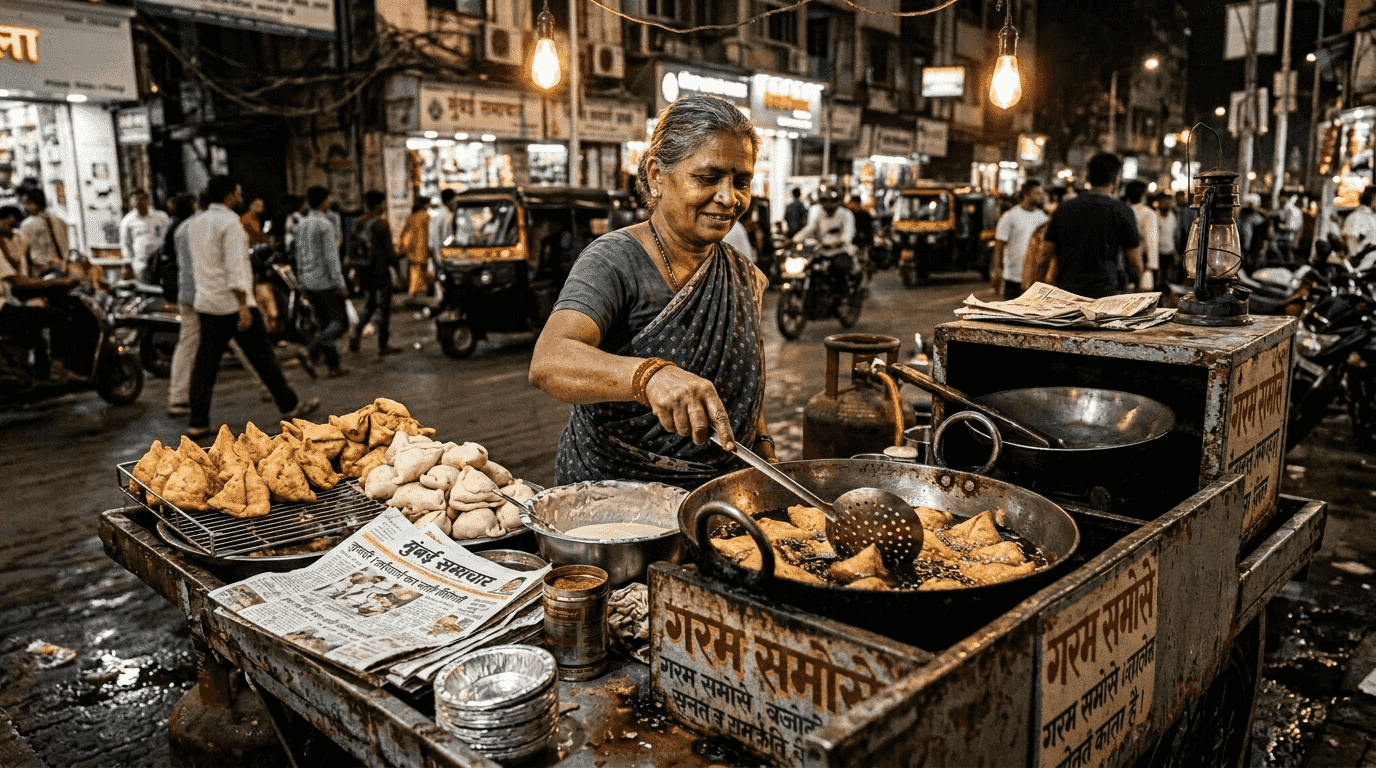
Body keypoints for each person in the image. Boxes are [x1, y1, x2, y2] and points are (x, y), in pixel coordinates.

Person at [528, 94, 773, 490]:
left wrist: (763, 449)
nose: (729, 197)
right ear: (658, 176)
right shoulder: (612, 261)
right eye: (707, 178)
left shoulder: (743, 274)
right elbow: (549, 361)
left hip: (722, 498)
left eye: (741, 181)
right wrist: (649, 377)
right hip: (617, 501)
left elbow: (743, 385)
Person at [185, 175, 318, 438]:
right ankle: (289, 405)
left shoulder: (196, 223)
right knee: (263, 358)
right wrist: (243, 305)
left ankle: (197, 420)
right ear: (229, 195)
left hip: (208, 303)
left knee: (205, 365)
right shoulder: (230, 223)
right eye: (238, 190)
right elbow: (235, 268)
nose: (241, 195)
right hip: (234, 304)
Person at [1031, 153, 1142, 298]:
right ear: (1116, 180)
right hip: (1104, 296)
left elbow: (1044, 256)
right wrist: (1135, 288)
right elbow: (1135, 263)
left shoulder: (1064, 209)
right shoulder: (1123, 211)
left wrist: (1034, 293)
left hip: (1065, 294)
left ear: (1087, 178)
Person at [0, 205, 72, 380]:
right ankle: (58, 367)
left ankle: (39, 368)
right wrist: (57, 282)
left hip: (9, 301)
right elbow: (16, 280)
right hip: (3, 309)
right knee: (58, 316)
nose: (12, 229)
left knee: (38, 319)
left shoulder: (17, 239)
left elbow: (27, 267)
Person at [296, 186, 350, 377]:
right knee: (339, 323)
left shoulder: (301, 223)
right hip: (325, 281)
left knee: (324, 323)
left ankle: (333, 366)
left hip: (309, 281)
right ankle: (309, 350)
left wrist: (301, 281)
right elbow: (331, 257)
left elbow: (299, 255)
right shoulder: (324, 224)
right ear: (324, 201)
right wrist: (340, 282)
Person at [349, 190, 402, 357]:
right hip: (380, 272)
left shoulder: (358, 222)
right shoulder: (381, 224)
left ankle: (356, 332)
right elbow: (389, 253)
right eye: (383, 203)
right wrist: (398, 272)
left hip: (364, 270)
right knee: (383, 308)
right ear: (379, 204)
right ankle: (382, 344)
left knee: (370, 304)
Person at [990, 180, 1049, 299]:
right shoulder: (1010, 216)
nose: (1040, 197)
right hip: (1013, 276)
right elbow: (1000, 244)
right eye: (1037, 193)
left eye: (1041, 193)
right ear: (1026, 194)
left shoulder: (1042, 217)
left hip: (1034, 277)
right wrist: (997, 269)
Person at [119, 189, 171, 282]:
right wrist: (128, 262)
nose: (138, 202)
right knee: (144, 288)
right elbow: (125, 243)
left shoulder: (161, 217)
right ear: (131, 202)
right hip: (141, 263)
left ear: (147, 199)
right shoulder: (127, 221)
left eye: (141, 199)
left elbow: (167, 237)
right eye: (135, 200)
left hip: (160, 262)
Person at [18, 188, 68, 276]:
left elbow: (24, 254)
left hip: (41, 270)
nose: (26, 207)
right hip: (62, 266)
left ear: (33, 204)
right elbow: (66, 247)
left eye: (27, 203)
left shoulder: (27, 224)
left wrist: (25, 275)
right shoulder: (58, 220)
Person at [792, 184, 856, 252]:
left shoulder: (846, 214)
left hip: (841, 251)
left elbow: (847, 235)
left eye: (832, 200)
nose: (828, 203)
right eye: (824, 200)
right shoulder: (817, 211)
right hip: (821, 251)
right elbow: (809, 228)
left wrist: (836, 244)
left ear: (838, 201)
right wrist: (794, 240)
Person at [1125, 181, 1159, 290]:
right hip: (1142, 258)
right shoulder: (1148, 213)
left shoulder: (1123, 210)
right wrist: (1152, 264)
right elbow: (1151, 239)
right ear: (1143, 195)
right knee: (1142, 292)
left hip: (1124, 259)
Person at [398, 197, 432, 296]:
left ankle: (415, 292)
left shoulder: (411, 217)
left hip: (413, 251)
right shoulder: (427, 217)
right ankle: (421, 291)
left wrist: (404, 248)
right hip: (424, 249)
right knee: (422, 273)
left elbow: (405, 234)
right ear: (425, 205)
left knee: (415, 273)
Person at [1343, 186, 1376, 270]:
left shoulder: (1373, 217)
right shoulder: (1356, 216)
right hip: (1362, 262)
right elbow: (1351, 245)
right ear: (1372, 198)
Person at [1154, 193, 1178, 285]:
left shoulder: (1173, 216)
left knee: (1168, 278)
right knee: (1157, 278)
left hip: (1169, 251)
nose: (1166, 204)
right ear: (1159, 203)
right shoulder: (1154, 216)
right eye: (1163, 202)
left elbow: (1174, 235)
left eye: (1168, 203)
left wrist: (1175, 252)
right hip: (1157, 251)